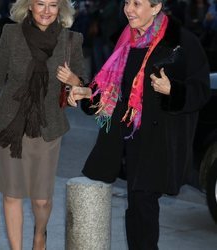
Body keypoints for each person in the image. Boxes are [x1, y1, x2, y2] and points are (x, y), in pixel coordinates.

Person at [68, 0, 210, 249]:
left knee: (143, 208)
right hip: (127, 141)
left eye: (137, 3)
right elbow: (112, 90)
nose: (128, 9)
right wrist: (85, 91)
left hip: (158, 143)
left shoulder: (182, 42)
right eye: (126, 2)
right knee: (135, 208)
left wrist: (173, 90)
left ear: (156, 7)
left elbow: (201, 91)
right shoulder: (125, 41)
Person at [0, 0, 86, 249]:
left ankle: (40, 235)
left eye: (53, 5)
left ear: (61, 9)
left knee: (41, 200)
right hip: (10, 125)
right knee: (12, 194)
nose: (46, 11)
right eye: (40, 4)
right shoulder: (11, 34)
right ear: (29, 6)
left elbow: (84, 85)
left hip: (48, 128)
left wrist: (74, 79)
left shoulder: (71, 40)